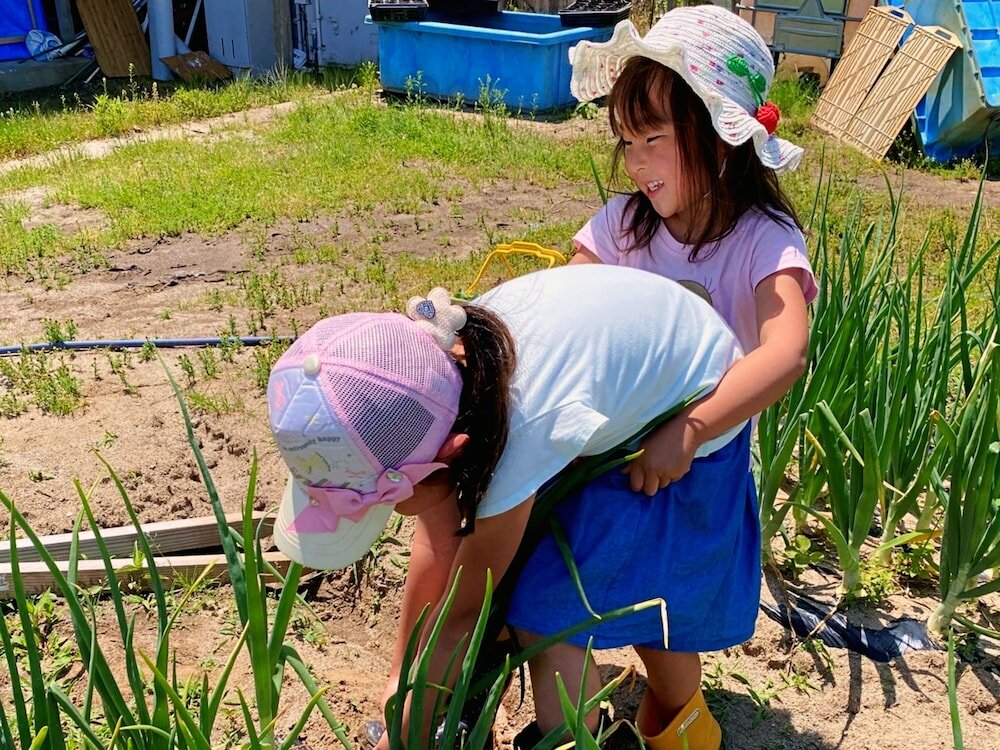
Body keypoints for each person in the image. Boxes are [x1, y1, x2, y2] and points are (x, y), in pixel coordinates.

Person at [267, 264, 753, 750]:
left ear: (451, 452)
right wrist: (402, 681)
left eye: (390, 500)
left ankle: (670, 731)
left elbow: (461, 615)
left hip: (693, 419)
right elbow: (438, 542)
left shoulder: (520, 432)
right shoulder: (441, 370)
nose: (394, 513)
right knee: (533, 589)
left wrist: (403, 740)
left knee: (554, 617)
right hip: (622, 395)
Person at [556, 4, 817, 747]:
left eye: (655, 141)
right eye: (626, 142)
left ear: (722, 140)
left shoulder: (762, 243)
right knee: (557, 599)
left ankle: (676, 718)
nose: (636, 163)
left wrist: (694, 424)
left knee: (667, 632)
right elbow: (570, 304)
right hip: (611, 451)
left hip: (700, 461)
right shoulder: (621, 224)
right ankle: (573, 719)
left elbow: (784, 350)